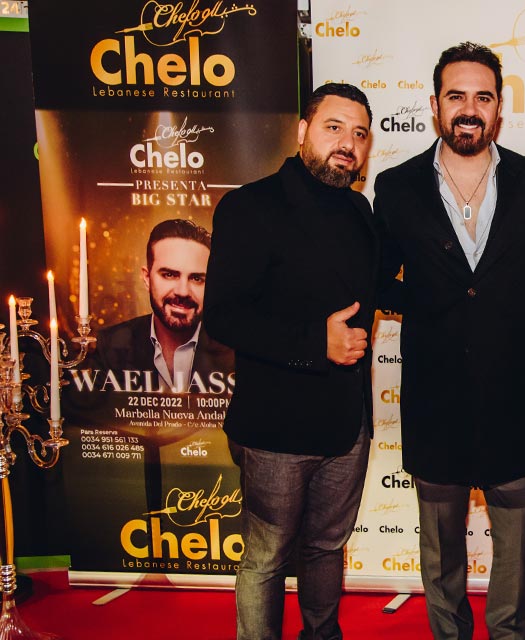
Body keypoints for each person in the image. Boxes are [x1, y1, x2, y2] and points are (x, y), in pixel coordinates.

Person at [373, 42, 525, 640]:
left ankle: (510, 632)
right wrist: (428, 300)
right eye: (456, 96)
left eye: (483, 97)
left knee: (517, 544)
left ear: (499, 108)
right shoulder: (397, 186)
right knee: (439, 548)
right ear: (434, 105)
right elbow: (376, 279)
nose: (469, 109)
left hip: (512, 398)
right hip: (433, 400)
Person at [204, 83, 378, 640]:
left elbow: (377, 291)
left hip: (346, 423)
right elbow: (224, 316)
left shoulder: (360, 209)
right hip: (274, 426)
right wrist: (314, 343)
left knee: (327, 546)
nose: (347, 143)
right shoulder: (249, 206)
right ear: (302, 131)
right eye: (334, 127)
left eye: (359, 134)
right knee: (267, 555)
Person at [92, 218, 232, 393]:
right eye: (169, 275)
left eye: (197, 278)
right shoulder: (108, 345)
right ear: (147, 278)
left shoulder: (234, 350)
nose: (182, 292)